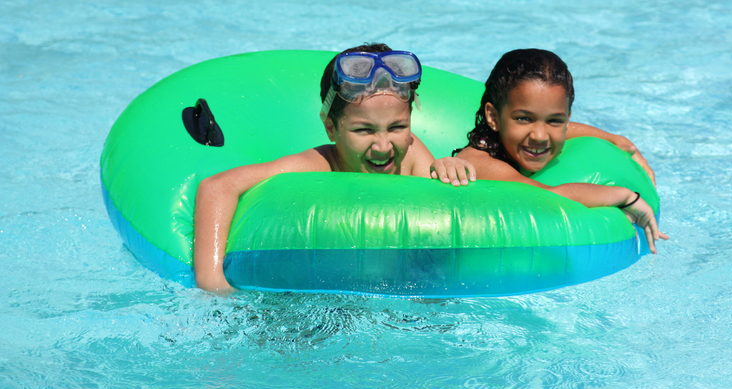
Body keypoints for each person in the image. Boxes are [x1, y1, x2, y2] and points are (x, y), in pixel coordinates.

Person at [194, 43, 476, 293]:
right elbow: (216, 187)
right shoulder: (319, 166)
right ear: (331, 128)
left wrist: (446, 167)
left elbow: (442, 217)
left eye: (397, 127)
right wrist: (214, 283)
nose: (383, 146)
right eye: (364, 130)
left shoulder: (412, 153)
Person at [455, 48, 667, 253]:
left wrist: (618, 141)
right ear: (493, 117)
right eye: (524, 118)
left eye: (554, 120)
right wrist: (626, 196)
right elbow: (544, 197)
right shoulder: (478, 162)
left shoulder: (532, 137)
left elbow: (570, 130)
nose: (540, 135)